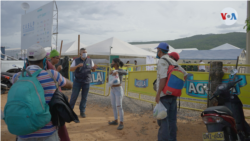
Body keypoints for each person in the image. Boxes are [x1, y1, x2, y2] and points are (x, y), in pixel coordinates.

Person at [13, 44, 73, 141]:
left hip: (24, 132)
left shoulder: (16, 77)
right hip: (48, 132)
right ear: (45, 60)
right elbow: (69, 85)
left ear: (27, 61)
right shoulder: (52, 75)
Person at [155, 44, 187, 141]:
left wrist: (158, 94)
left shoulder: (162, 61)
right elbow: (185, 74)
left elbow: (163, 79)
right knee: (172, 121)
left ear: (160, 51)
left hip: (164, 95)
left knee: (163, 121)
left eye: (157, 50)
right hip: (173, 95)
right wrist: (175, 86)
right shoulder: (172, 61)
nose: (157, 52)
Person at [69, 48, 97, 118]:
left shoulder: (90, 60)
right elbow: (71, 69)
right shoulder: (76, 61)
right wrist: (77, 66)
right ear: (80, 53)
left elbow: (93, 70)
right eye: (83, 52)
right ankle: (69, 111)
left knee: (84, 97)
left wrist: (94, 68)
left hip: (86, 82)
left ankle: (82, 111)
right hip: (77, 81)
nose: (85, 53)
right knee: (74, 96)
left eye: (86, 52)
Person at [108, 58, 127, 130]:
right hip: (112, 89)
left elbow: (126, 72)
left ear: (116, 63)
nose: (111, 63)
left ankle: (121, 123)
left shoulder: (120, 70)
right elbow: (108, 80)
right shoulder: (112, 71)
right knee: (113, 105)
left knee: (119, 106)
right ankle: (116, 120)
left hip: (118, 90)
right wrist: (110, 75)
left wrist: (117, 72)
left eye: (112, 62)